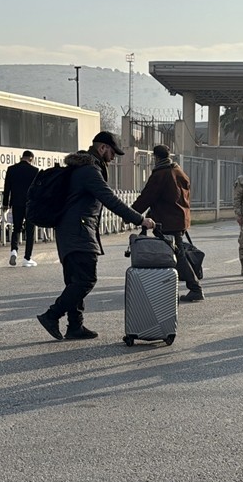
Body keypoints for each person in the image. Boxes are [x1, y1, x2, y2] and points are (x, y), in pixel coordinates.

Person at [37, 131, 156, 341]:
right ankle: (51, 315)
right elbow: (110, 199)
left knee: (75, 281)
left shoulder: (79, 168)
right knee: (85, 280)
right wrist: (140, 219)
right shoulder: (89, 171)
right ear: (102, 148)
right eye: (111, 152)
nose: (113, 157)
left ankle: (75, 326)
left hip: (69, 231)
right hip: (79, 232)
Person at [132, 144, 204, 302]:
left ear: (155, 158)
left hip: (167, 221)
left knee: (175, 255)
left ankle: (195, 288)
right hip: (179, 219)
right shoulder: (179, 172)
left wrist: (131, 214)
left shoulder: (161, 174)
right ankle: (168, 287)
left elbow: (147, 197)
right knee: (174, 253)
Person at [2, 150, 40, 267]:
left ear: (21, 157)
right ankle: (27, 258)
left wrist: (5, 205)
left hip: (16, 203)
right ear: (31, 158)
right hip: (30, 204)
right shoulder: (35, 171)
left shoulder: (11, 169)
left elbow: (6, 188)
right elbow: (37, 190)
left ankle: (14, 250)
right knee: (30, 231)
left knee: (16, 228)